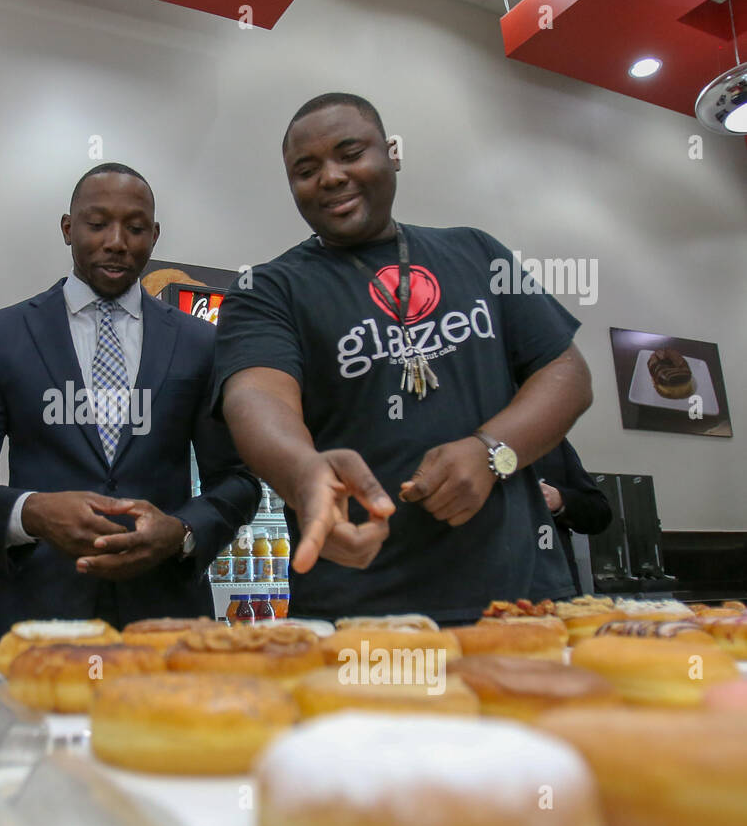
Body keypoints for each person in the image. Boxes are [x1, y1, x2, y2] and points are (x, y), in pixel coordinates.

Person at [213, 94, 594, 625]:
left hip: (517, 601)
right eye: (306, 170)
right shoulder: (268, 288)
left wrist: (491, 453)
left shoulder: (477, 253)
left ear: (391, 153)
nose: (330, 177)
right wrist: (302, 472)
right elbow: (257, 396)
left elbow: (568, 374)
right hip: (358, 611)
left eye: (350, 153)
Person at [0, 163, 261, 674]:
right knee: (21, 757)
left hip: (165, 628)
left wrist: (180, 532)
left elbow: (237, 480)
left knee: (162, 758)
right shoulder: (1, 337)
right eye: (97, 223)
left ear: (154, 235)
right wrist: (33, 512)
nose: (116, 241)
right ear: (67, 228)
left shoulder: (200, 344)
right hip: (36, 627)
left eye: (134, 226)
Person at [533, 439, 613, 596]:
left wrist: (560, 500)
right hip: (486, 591)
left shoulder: (553, 442)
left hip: (552, 587)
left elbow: (599, 511)